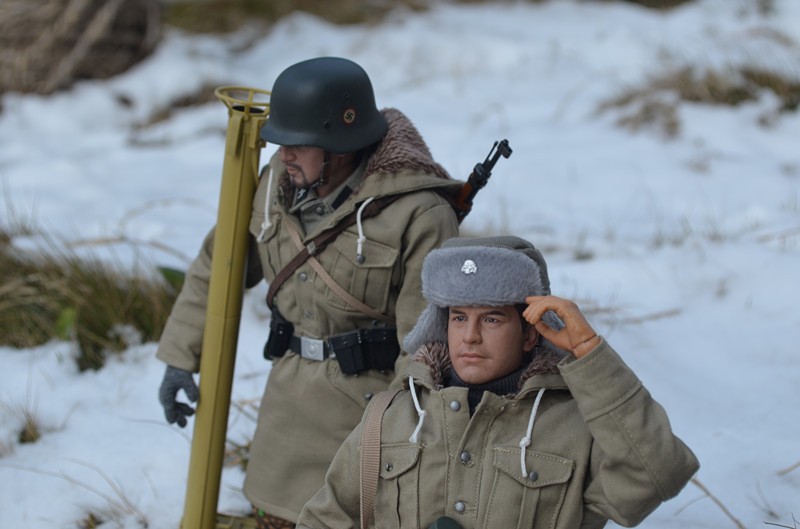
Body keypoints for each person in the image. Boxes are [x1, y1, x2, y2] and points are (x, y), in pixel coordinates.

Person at [156, 56, 464, 528]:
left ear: (340, 147)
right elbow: (219, 265)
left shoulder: (418, 214)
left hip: (366, 418)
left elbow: (427, 342)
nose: (284, 156)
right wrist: (181, 355)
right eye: (281, 143)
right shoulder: (273, 189)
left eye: (298, 145)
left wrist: (401, 433)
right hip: (286, 412)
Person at [296, 235, 700, 529]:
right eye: (459, 317)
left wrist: (589, 352)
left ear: (529, 333)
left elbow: (658, 475)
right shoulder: (393, 416)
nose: (470, 336)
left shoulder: (576, 426)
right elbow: (326, 519)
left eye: (491, 318)